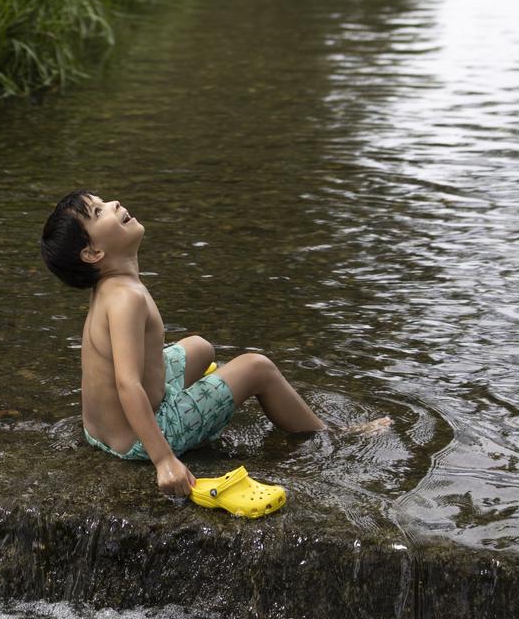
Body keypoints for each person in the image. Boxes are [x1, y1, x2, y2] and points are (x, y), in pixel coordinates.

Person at [39, 189, 389, 497]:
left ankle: (187, 403)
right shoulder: (126, 298)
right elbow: (127, 383)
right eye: (99, 212)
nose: (114, 203)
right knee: (257, 367)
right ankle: (334, 436)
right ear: (92, 253)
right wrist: (164, 461)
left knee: (200, 347)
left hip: (100, 431)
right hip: (139, 442)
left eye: (103, 202)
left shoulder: (112, 289)